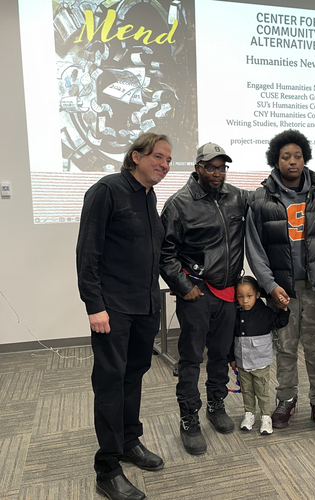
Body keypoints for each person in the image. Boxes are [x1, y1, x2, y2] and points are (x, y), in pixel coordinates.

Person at [76, 133, 171, 500]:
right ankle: (107, 468)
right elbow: (88, 253)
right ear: (136, 156)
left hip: (145, 306)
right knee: (111, 384)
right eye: (158, 157)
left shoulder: (149, 197)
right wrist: (94, 305)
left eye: (167, 159)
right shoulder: (107, 190)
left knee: (134, 376)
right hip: (112, 309)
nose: (164, 164)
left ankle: (129, 441)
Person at [246, 129, 315, 437]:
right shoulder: (261, 198)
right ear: (275, 161)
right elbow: (254, 247)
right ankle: (286, 399)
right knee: (286, 348)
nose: (293, 162)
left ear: (306, 158)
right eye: (285, 157)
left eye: (298, 156)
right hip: (282, 290)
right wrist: (268, 284)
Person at [160, 142, 248, 455]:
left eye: (222, 167)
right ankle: (189, 417)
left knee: (222, 354)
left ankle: (216, 404)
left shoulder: (237, 197)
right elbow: (165, 252)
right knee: (192, 358)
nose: (217, 172)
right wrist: (183, 286)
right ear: (197, 167)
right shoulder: (179, 204)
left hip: (227, 292)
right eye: (211, 166)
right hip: (196, 294)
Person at [229, 276, 290, 435]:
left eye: (249, 296)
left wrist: (284, 309)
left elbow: (280, 322)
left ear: (257, 294)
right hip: (242, 362)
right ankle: (249, 414)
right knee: (247, 391)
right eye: (240, 297)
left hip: (261, 363)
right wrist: (232, 358)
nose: (245, 301)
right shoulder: (235, 314)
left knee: (262, 392)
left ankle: (265, 416)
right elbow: (231, 338)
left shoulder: (264, 312)